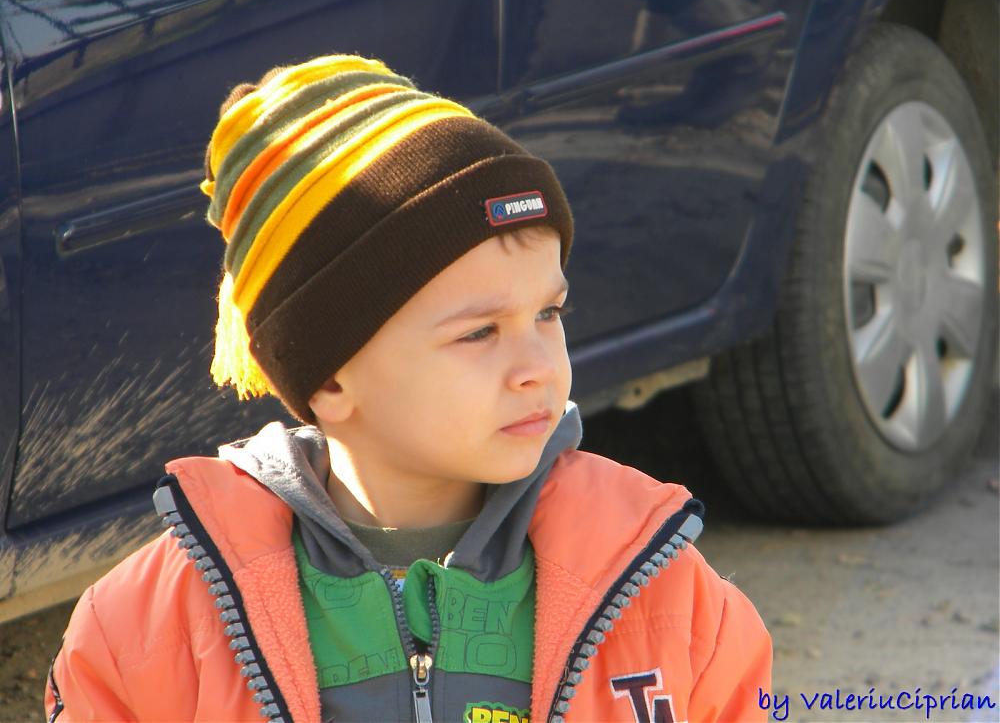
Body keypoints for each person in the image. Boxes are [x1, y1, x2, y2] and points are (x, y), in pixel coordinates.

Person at [44, 53, 771, 723]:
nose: (539, 366)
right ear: (331, 378)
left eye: (548, 314)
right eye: (479, 332)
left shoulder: (663, 590)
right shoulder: (149, 627)